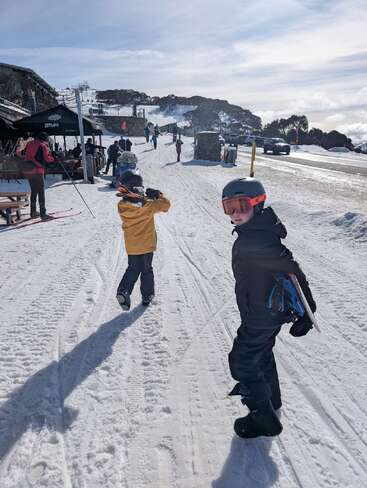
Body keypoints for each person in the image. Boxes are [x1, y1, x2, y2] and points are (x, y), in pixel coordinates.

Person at [222, 177, 316, 439]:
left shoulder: (259, 240)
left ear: (258, 204)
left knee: (242, 362)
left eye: (241, 206)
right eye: (229, 207)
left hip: (261, 316)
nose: (236, 214)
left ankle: (263, 419)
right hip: (263, 312)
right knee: (262, 354)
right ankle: (271, 400)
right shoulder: (255, 232)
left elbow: (292, 270)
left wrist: (308, 312)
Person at [116, 170, 170, 309]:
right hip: (146, 246)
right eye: (140, 188)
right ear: (134, 189)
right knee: (146, 270)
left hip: (132, 246)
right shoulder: (148, 206)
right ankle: (147, 296)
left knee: (133, 268)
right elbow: (166, 205)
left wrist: (143, 198)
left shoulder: (122, 206)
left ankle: (124, 290)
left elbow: (134, 202)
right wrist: (158, 195)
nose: (142, 191)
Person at [21, 132, 55, 219]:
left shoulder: (29, 143)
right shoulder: (43, 145)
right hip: (37, 171)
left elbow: (23, 153)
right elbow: (47, 159)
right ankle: (43, 214)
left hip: (28, 170)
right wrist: (53, 157)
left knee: (34, 191)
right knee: (41, 191)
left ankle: (33, 212)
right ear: (44, 139)